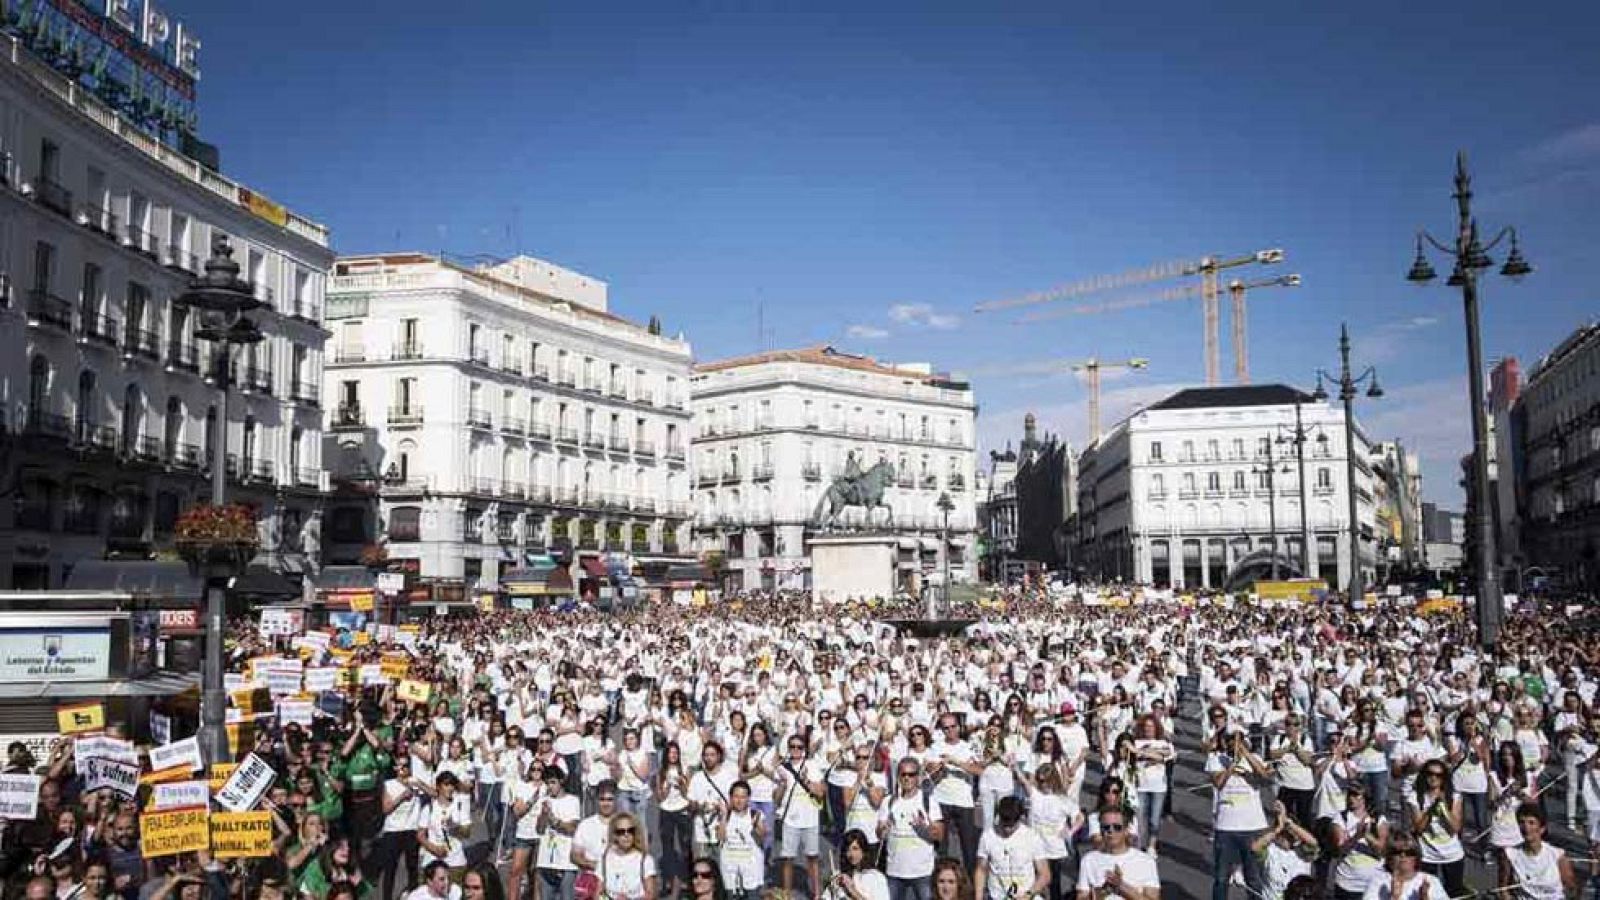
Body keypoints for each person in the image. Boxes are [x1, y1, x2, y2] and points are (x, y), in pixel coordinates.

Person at [1206, 727, 1270, 900]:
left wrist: (1245, 755)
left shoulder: (1254, 758)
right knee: (1221, 878)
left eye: (1238, 740)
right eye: (1230, 740)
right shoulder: (1216, 759)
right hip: (1226, 827)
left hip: (1253, 826)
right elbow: (1218, 783)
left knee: (1254, 878)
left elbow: (1264, 777)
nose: (1233, 744)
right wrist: (1231, 767)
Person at [881, 758, 945, 900]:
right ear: (898, 776)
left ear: (918, 777)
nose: (907, 778)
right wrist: (883, 828)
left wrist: (924, 828)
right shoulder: (888, 802)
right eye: (903, 774)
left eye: (911, 774)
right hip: (895, 871)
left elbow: (940, 835)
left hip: (922, 872)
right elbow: (879, 833)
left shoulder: (929, 802)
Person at [775, 734, 827, 899]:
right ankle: (787, 895)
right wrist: (782, 784)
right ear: (788, 748)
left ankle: (816, 894)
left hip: (810, 819)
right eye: (792, 746)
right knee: (788, 859)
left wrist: (806, 780)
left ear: (804, 749)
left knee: (812, 858)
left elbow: (821, 792)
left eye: (799, 747)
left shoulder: (812, 765)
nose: (796, 750)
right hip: (790, 819)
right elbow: (776, 799)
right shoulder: (782, 768)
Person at [927, 715, 981, 872]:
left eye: (953, 726)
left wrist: (956, 762)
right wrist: (939, 768)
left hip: (964, 801)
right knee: (941, 846)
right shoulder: (936, 747)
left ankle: (970, 881)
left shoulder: (968, 747)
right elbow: (930, 773)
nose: (950, 730)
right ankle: (941, 879)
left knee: (969, 846)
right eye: (946, 728)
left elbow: (980, 770)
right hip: (941, 800)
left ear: (959, 727)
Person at [1074, 805, 1160, 900]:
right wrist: (1103, 891)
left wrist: (1121, 886)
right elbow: (1081, 897)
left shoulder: (1146, 861)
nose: (1111, 831)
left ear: (1126, 830)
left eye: (1117, 827)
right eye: (1106, 827)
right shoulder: (1089, 860)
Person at [1406, 760, 1465, 898]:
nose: (1433, 778)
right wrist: (1432, 808)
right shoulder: (1415, 797)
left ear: (1444, 778)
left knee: (1454, 893)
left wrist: (1443, 806)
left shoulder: (1454, 797)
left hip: (1452, 854)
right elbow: (1419, 828)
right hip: (1427, 855)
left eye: (1439, 775)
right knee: (1428, 893)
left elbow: (1455, 827)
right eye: (1430, 774)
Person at [974, 796, 1049, 900]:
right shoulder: (988, 837)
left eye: (1011, 825)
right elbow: (981, 869)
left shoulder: (1032, 837)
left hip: (1026, 896)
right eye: (1004, 825)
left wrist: (1028, 894)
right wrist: (978, 897)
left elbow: (1044, 874)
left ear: (1020, 819)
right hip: (997, 896)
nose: (1008, 829)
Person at [1501, 803, 1576, 900]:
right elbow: (1503, 889)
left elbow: (1571, 888)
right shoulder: (1510, 854)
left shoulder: (1557, 855)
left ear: (1542, 829)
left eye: (1531, 823)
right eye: (1522, 822)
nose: (1526, 827)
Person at [1250, 802, 1317, 900]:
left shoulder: (1303, 852)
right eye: (1283, 833)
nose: (1285, 837)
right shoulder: (1270, 851)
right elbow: (1255, 848)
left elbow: (1313, 843)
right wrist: (1277, 829)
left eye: (1289, 834)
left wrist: (1288, 823)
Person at [534, 765, 581, 900]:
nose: (550, 786)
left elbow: (572, 828)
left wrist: (554, 820)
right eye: (547, 783)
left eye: (553, 782)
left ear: (561, 781)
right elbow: (539, 830)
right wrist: (543, 815)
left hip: (566, 862)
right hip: (545, 861)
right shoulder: (544, 800)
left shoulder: (572, 801)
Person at [715, 781, 766, 899]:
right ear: (731, 797)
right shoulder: (725, 815)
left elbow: (762, 837)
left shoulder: (756, 814)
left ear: (748, 798)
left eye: (743, 797)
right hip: (730, 868)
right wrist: (723, 816)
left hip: (751, 867)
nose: (739, 800)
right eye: (736, 796)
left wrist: (756, 826)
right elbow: (720, 837)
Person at [597, 811, 658, 900]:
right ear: (615, 835)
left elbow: (651, 894)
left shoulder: (645, 860)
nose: (626, 835)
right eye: (621, 832)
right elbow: (598, 894)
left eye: (630, 831)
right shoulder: (604, 859)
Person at [1360, 834, 1443, 900]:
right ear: (1389, 857)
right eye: (1397, 852)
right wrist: (1394, 897)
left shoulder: (1431, 881)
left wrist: (1425, 898)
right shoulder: (1378, 882)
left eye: (1409, 853)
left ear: (1416, 857)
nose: (1403, 856)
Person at [821, 830, 891, 900]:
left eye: (855, 848)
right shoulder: (843, 876)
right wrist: (832, 889)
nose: (851, 854)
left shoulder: (876, 877)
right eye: (847, 850)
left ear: (863, 850)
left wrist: (852, 890)